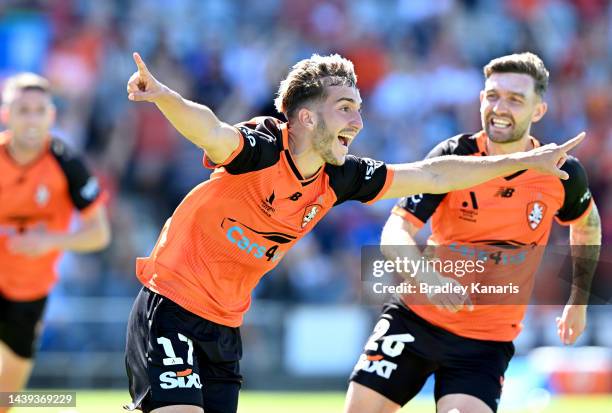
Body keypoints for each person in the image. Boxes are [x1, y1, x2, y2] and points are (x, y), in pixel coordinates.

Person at [123, 51, 585, 413]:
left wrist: (521, 161)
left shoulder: (340, 177)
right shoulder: (260, 149)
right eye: (345, 108)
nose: (358, 122)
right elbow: (211, 130)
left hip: (225, 326)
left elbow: (434, 175)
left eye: (359, 109)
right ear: (306, 118)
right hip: (172, 307)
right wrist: (163, 94)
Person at [346, 52, 602, 413]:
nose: (500, 107)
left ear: (539, 110)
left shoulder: (561, 172)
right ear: (481, 99)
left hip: (484, 344)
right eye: (493, 95)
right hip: (416, 320)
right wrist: (427, 277)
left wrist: (579, 300)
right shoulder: (455, 157)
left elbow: (588, 223)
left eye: (515, 99)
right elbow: (395, 230)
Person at [0, 73, 110, 404]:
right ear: (6, 114)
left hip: (30, 289)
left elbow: (99, 234)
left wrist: (50, 241)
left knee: (7, 397)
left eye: (39, 110)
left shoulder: (67, 164)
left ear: (52, 115)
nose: (32, 119)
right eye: (23, 110)